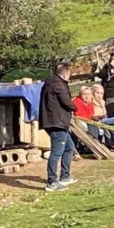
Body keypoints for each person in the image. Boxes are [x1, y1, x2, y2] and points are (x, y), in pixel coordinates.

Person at [39, 62, 78, 192]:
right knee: (56, 152)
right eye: (70, 73)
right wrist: (75, 108)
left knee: (69, 147)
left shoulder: (50, 83)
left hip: (56, 122)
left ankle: (65, 176)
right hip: (57, 123)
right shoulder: (58, 85)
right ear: (66, 73)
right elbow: (66, 101)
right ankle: (52, 182)